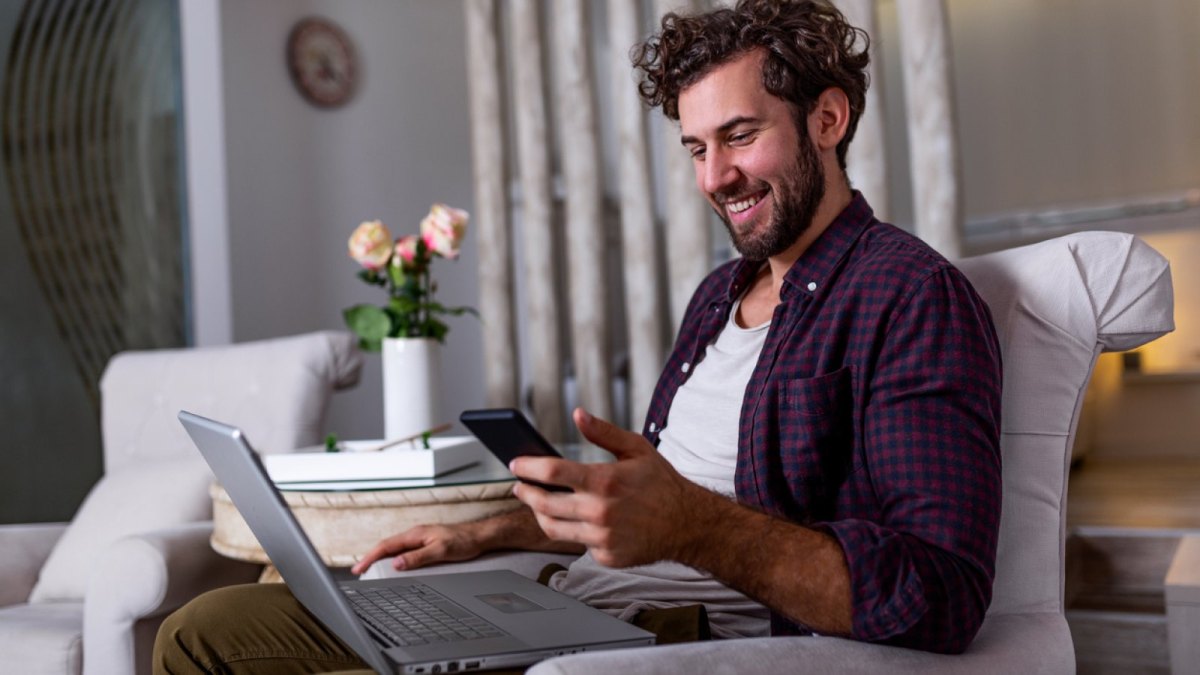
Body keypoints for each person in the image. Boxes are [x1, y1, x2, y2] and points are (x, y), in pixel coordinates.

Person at [154, 0, 1002, 671]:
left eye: (741, 136)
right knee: (209, 622)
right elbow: (643, 510)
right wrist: (488, 534)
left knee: (236, 650)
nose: (716, 178)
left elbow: (941, 593)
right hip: (564, 602)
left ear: (827, 118)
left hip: (665, 638)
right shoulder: (719, 296)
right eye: (696, 147)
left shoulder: (909, 296)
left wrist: (693, 528)